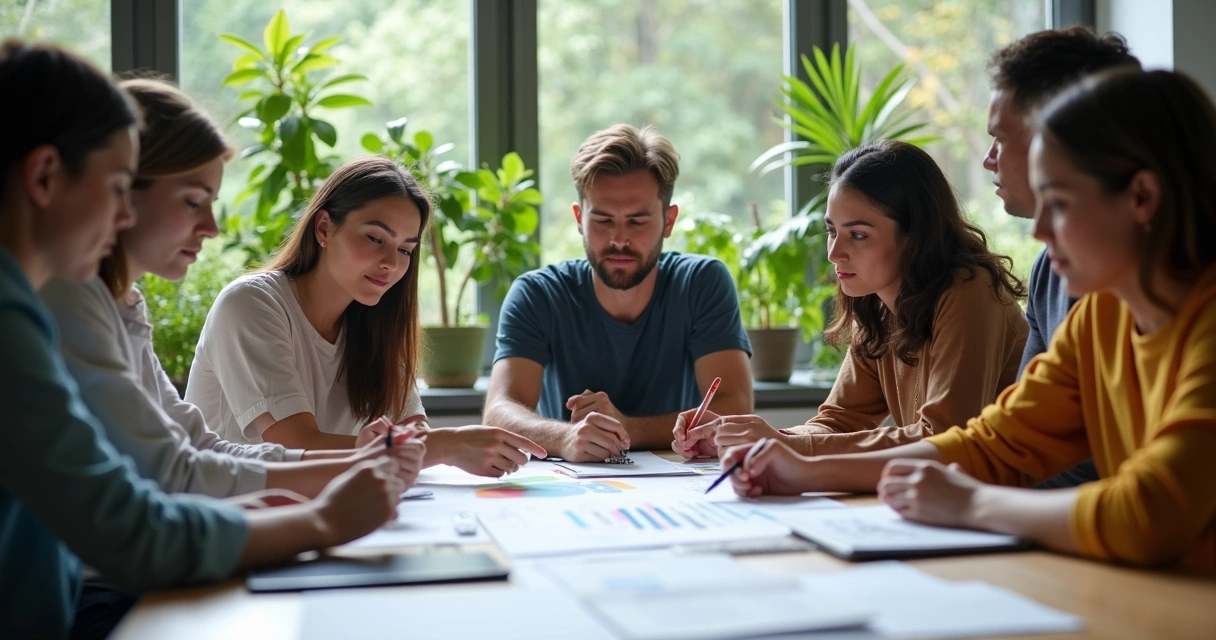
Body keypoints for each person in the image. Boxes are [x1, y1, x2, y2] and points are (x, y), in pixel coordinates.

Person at [722, 69, 1216, 571]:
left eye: (1061, 204)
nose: (1041, 231)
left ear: (1142, 198)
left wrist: (971, 504)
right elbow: (994, 443)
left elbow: (1151, 512)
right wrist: (802, 473)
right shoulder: (1099, 315)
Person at [0, 39, 402, 639]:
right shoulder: (36, 307)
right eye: (116, 188)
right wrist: (319, 522)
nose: (121, 219)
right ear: (46, 176)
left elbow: (186, 450)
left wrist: (322, 489)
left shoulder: (93, 303)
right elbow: (137, 521)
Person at [41, 78, 426, 503]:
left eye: (406, 249)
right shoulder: (68, 300)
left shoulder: (121, 305)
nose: (212, 227)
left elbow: (197, 450)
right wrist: (326, 514)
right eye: (193, 201)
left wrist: (370, 462)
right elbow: (171, 477)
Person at [186, 156, 545, 478]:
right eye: (375, 238)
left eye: (406, 249)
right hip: (227, 516)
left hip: (316, 510)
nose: (391, 262)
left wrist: (421, 446)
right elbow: (295, 445)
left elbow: (413, 433)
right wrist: (446, 446)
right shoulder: (250, 304)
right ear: (324, 228)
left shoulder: (375, 321)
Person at [676, 141, 1027, 458]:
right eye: (832, 230)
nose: (833, 252)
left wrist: (784, 444)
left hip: (1018, 503)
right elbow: (840, 421)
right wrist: (749, 438)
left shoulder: (970, 291)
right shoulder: (878, 306)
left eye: (857, 235)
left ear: (915, 235)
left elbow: (944, 437)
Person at [482, 124, 754, 462]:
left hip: (679, 489)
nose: (619, 239)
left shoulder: (701, 283)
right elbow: (499, 411)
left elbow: (734, 407)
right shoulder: (538, 294)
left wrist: (626, 428)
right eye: (603, 220)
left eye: (638, 221)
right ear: (579, 219)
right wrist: (565, 436)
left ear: (668, 222)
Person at [982, 27, 1140, 487]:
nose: (989, 159)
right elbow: (1013, 437)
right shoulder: (1054, 275)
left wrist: (978, 502)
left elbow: (1150, 495)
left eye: (1001, 138)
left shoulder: (1175, 304)